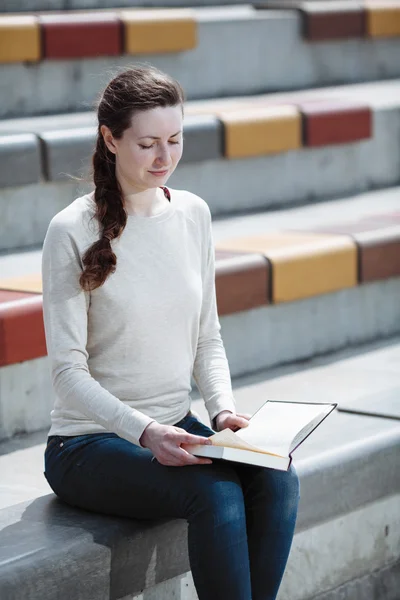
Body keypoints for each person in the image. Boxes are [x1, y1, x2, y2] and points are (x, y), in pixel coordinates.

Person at [42, 65, 300, 600]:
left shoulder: (192, 213)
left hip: (175, 425)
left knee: (277, 477)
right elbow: (68, 374)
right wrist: (145, 433)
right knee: (217, 494)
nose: (165, 157)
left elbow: (208, 337)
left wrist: (224, 412)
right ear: (110, 139)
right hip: (87, 444)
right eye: (148, 144)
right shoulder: (71, 230)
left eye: (176, 139)